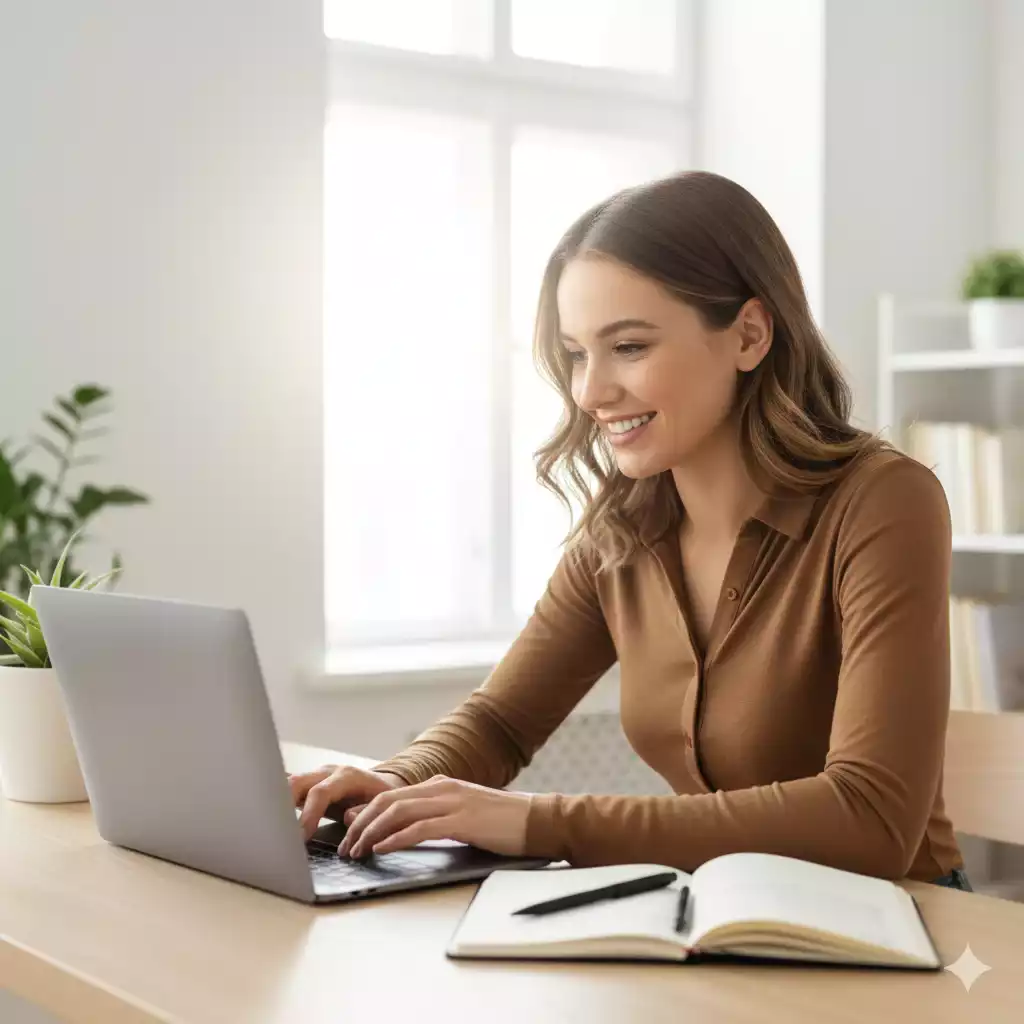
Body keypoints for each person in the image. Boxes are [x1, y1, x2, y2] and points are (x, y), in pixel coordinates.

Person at [290, 170, 970, 889]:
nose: (590, 391)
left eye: (630, 347)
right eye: (578, 353)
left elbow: (871, 820)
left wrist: (534, 822)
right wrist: (391, 786)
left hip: (905, 929)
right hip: (735, 913)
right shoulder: (624, 529)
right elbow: (501, 723)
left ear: (748, 333)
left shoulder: (884, 502)